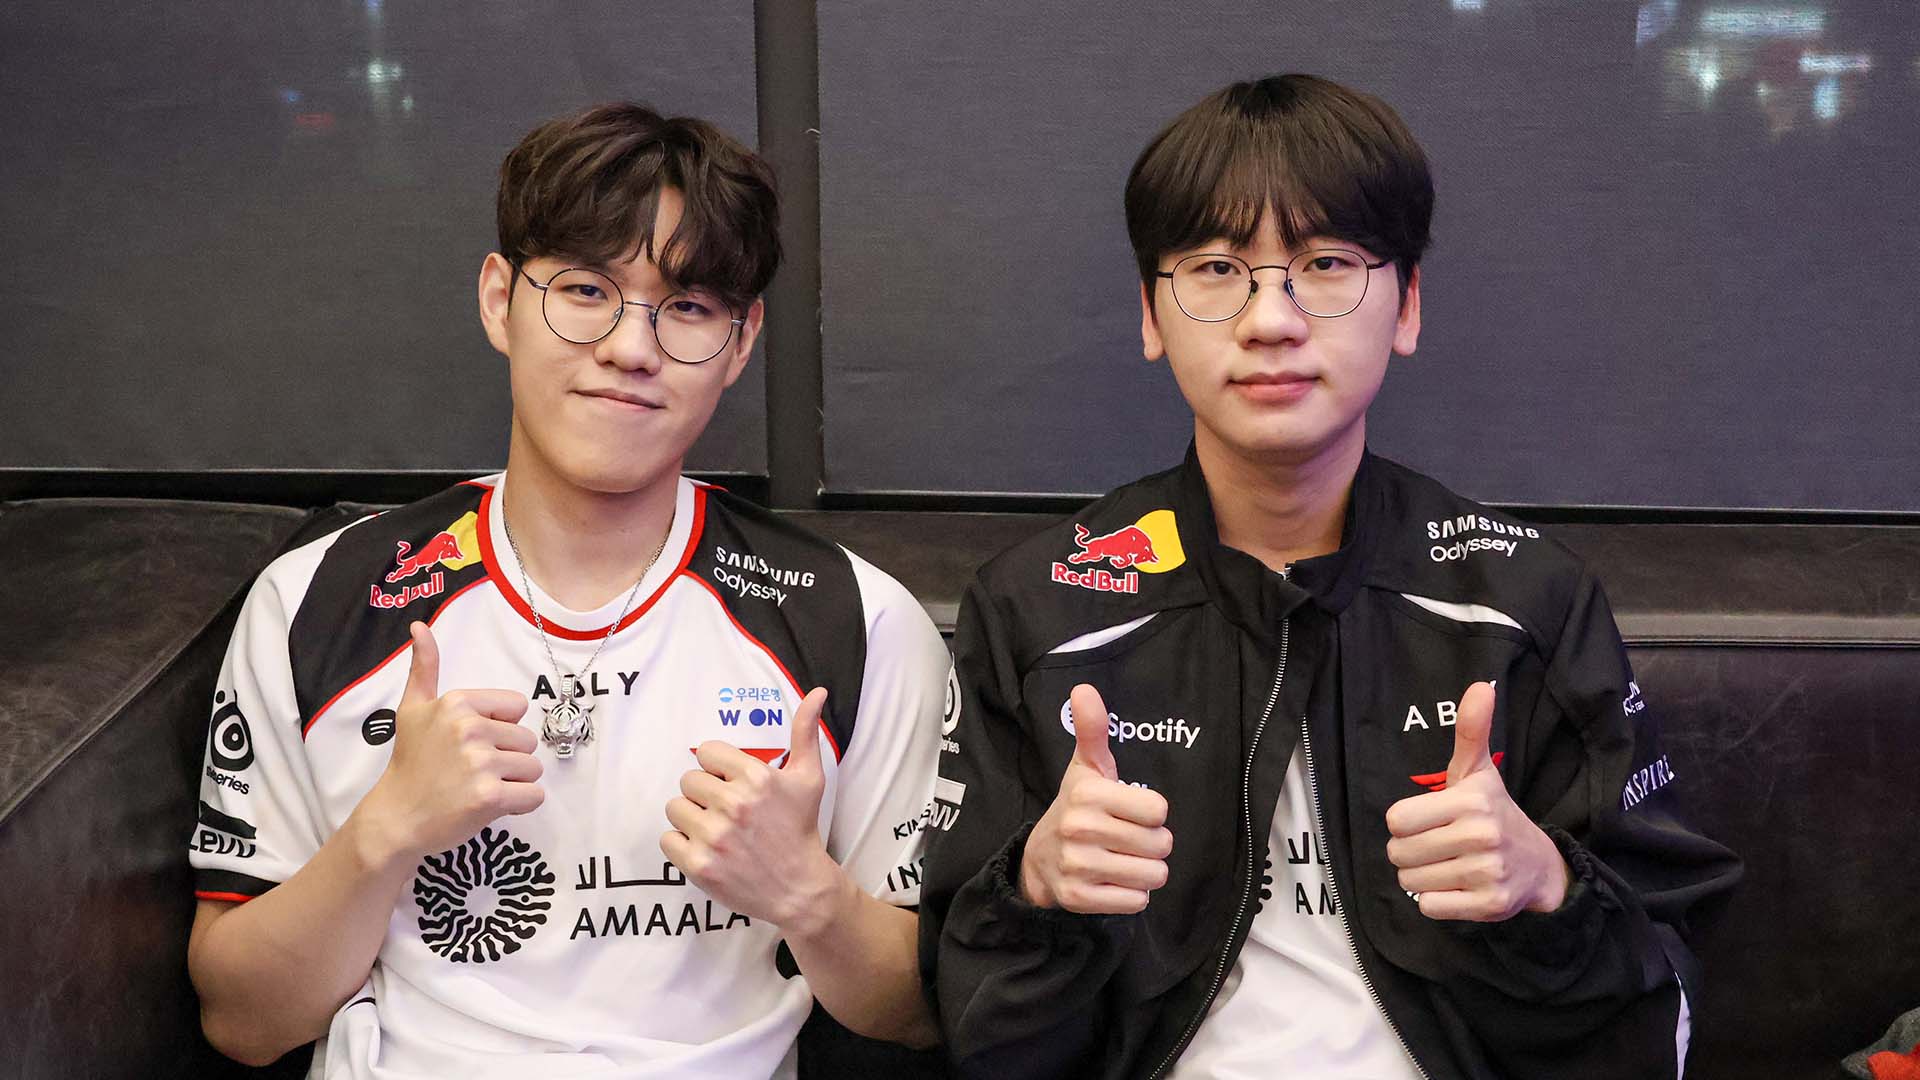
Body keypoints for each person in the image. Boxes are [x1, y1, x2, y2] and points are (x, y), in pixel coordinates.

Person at [920, 74, 1742, 1079]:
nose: (1270, 319)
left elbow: (1659, 1018)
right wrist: (1036, 892)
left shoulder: (1524, 600)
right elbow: (976, 1034)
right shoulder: (1038, 606)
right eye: (1216, 268)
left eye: (1326, 264)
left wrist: (1547, 890)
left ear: (1407, 306)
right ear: (1150, 315)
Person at [186, 103, 947, 1079]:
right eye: (587, 290)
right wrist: (385, 833)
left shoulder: (856, 621)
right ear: (499, 299)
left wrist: (808, 894)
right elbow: (243, 1023)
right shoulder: (316, 602)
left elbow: (922, 1014)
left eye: (688, 307)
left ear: (742, 342)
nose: (631, 348)